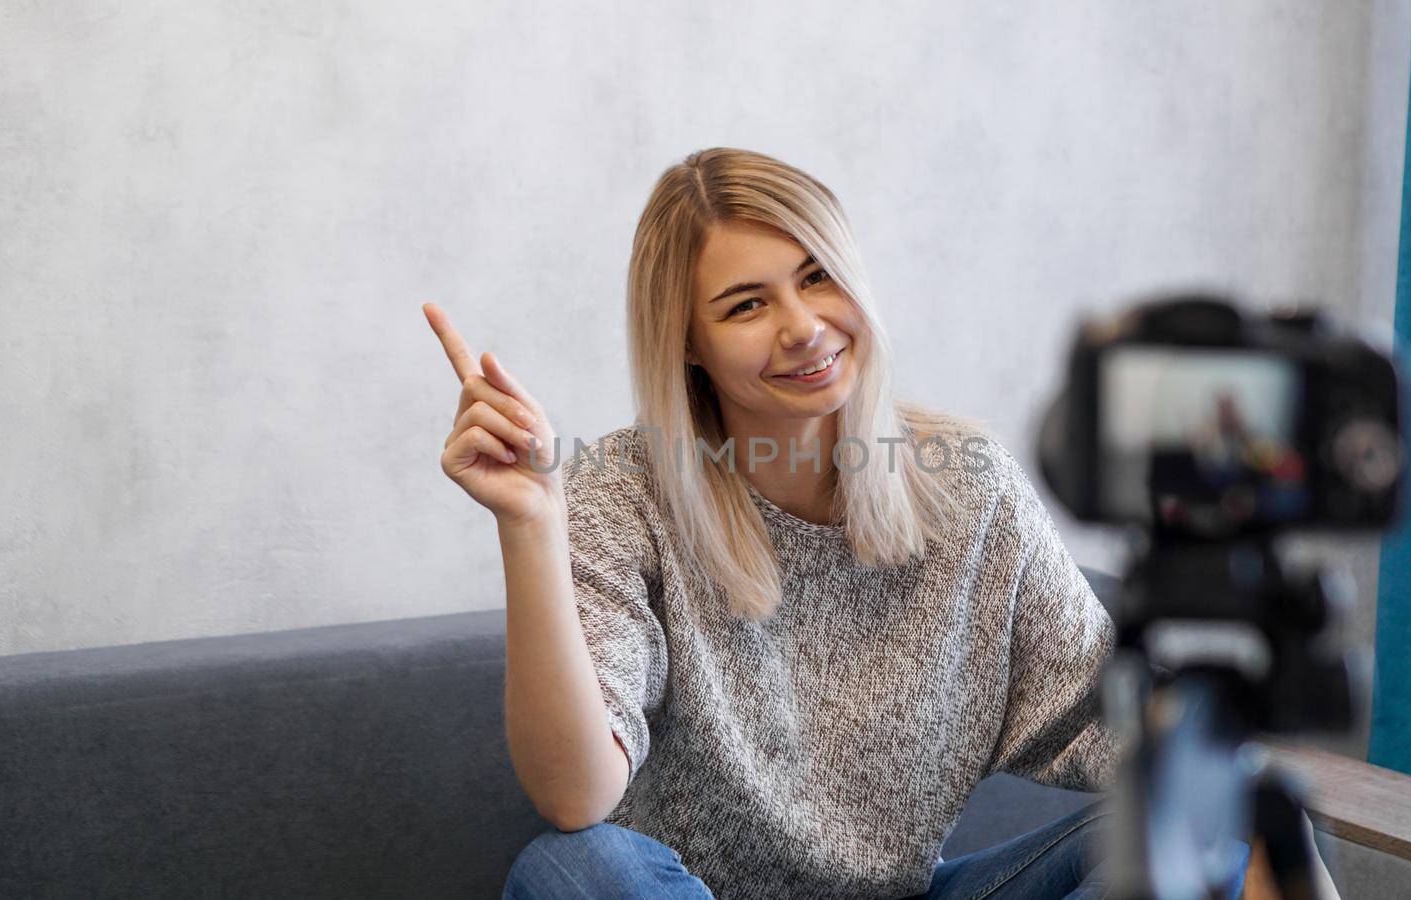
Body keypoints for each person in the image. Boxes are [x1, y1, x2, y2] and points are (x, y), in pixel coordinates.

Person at [425, 147, 1253, 898]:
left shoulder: (966, 484)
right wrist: (531, 524)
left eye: (818, 276)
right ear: (687, 343)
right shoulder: (623, 490)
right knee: (575, 867)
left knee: (1211, 822)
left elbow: (1108, 720)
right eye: (747, 304)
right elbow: (577, 796)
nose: (804, 327)